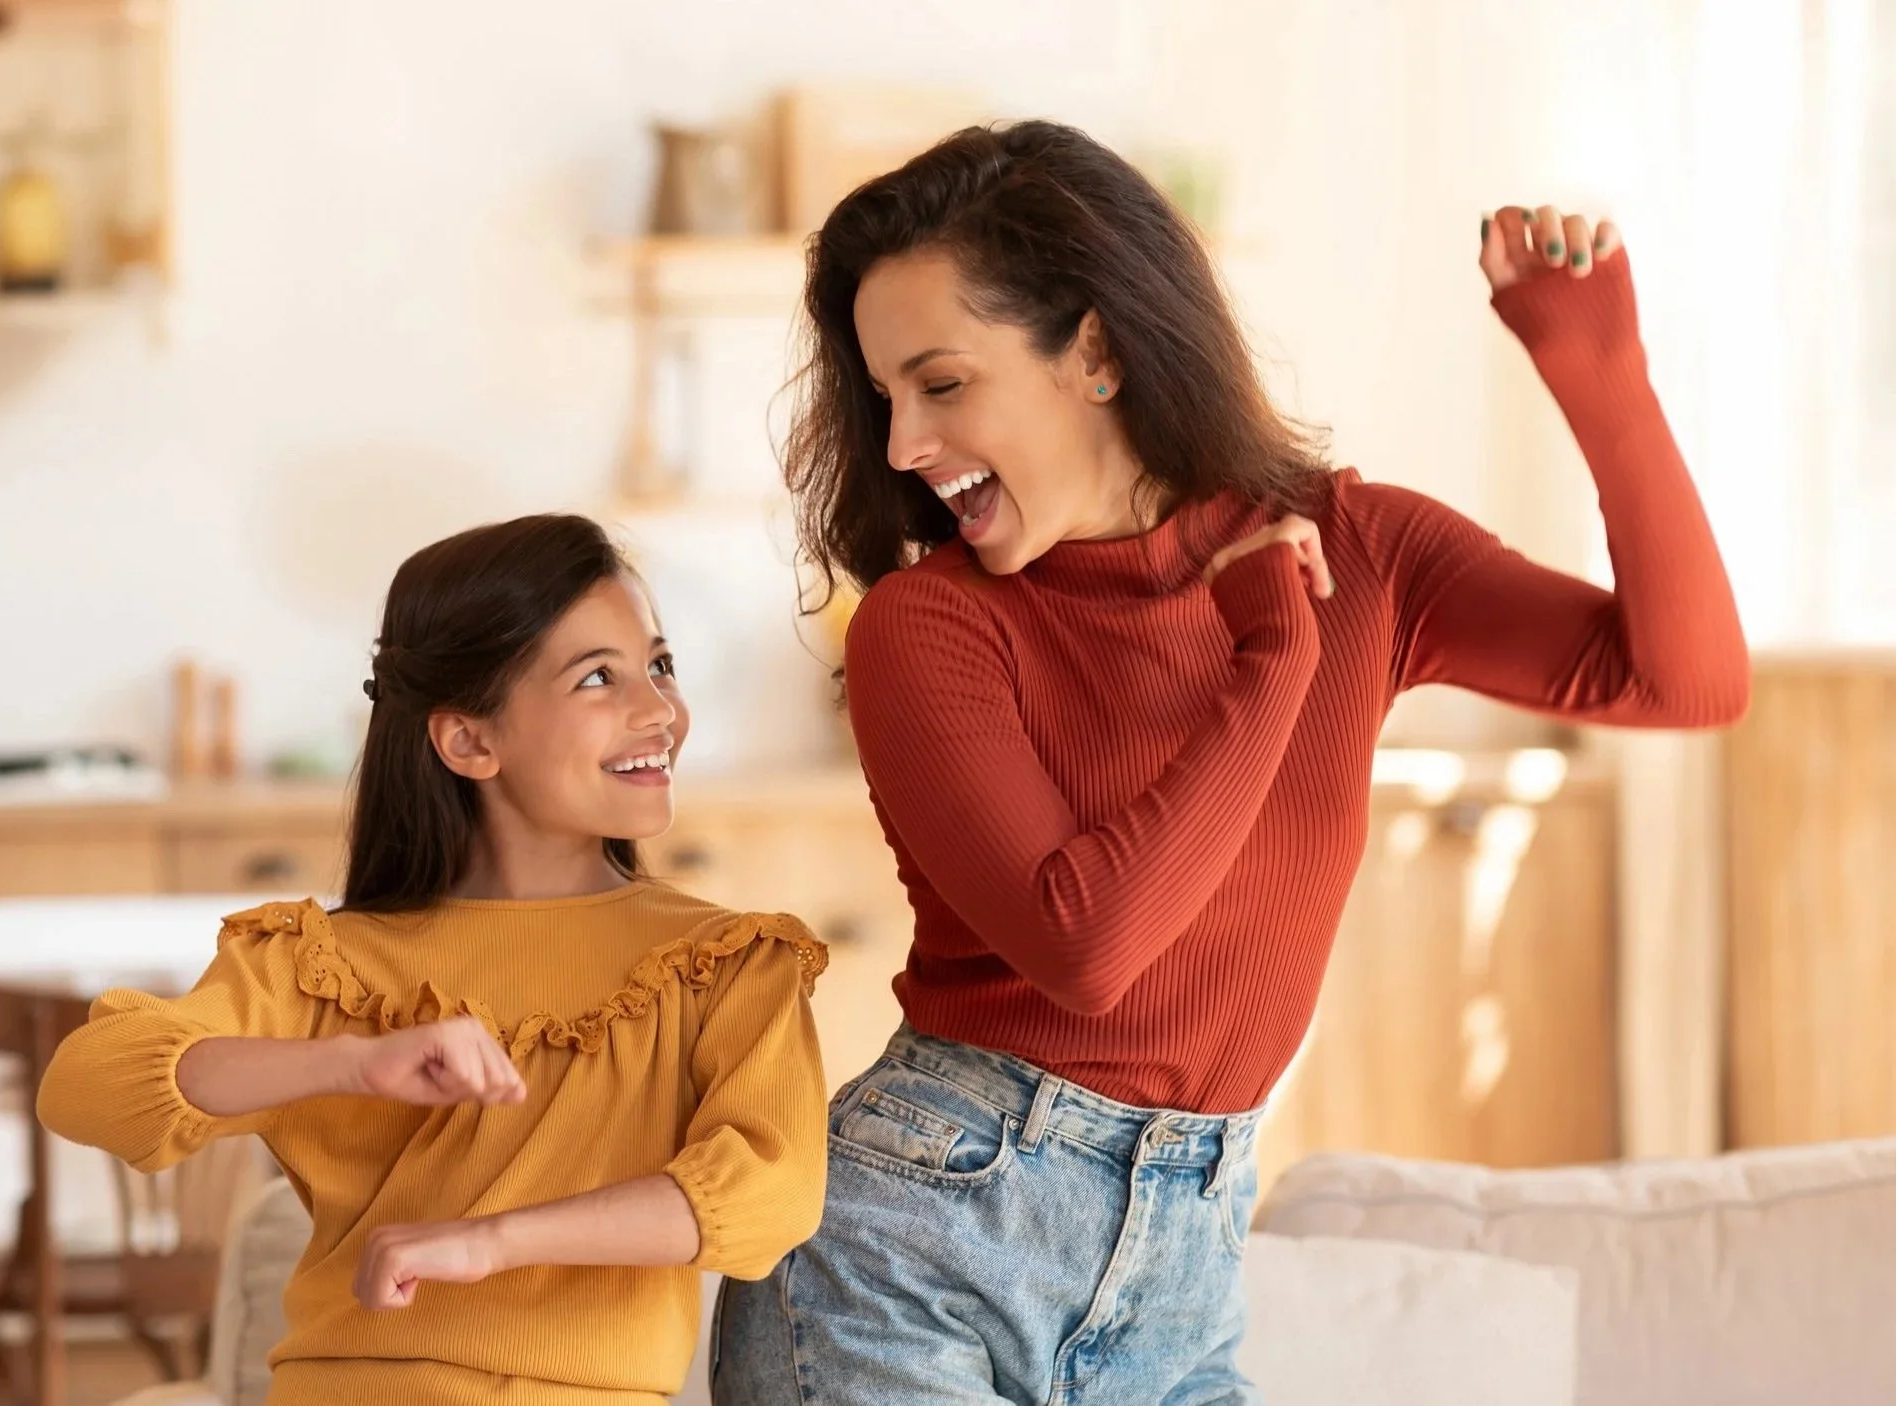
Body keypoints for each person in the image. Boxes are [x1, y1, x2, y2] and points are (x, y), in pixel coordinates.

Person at [713, 120, 1749, 1404]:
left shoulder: (1353, 547)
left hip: (1183, 1258)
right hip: (911, 1249)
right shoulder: (932, 628)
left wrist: (1601, 376)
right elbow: (1091, 950)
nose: (902, 447)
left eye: (941, 383)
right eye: (882, 400)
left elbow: (1683, 680)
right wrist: (1272, 656)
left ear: (1093, 353)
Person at [39, 514, 829, 1406]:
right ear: (469, 742)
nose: (660, 711)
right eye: (598, 677)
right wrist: (352, 1062)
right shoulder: (319, 963)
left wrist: (491, 1241)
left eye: (660, 665)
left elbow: (773, 1191)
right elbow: (87, 1085)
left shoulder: (725, 963)